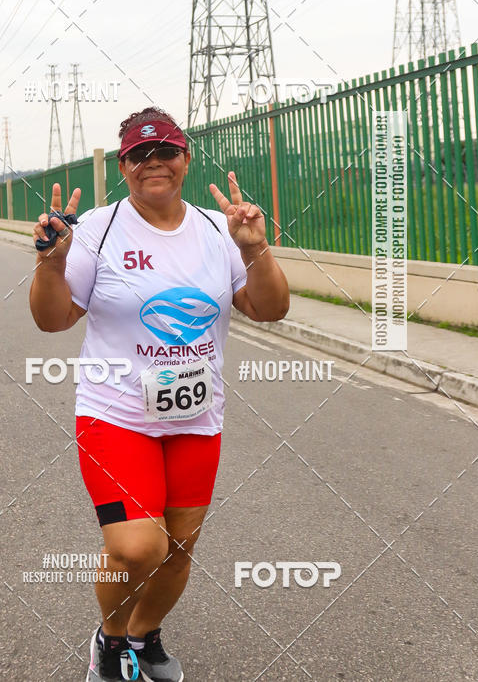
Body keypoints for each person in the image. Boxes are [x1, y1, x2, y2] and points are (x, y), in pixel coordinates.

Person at [29, 107, 290, 682]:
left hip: (196, 417)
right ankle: (111, 638)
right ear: (123, 165)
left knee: (178, 549)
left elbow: (270, 308)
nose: (154, 164)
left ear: (186, 158)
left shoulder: (219, 230)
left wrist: (254, 249)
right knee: (137, 547)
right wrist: (52, 264)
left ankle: (144, 636)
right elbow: (53, 320)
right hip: (115, 413)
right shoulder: (95, 229)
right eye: (139, 155)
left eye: (166, 152)